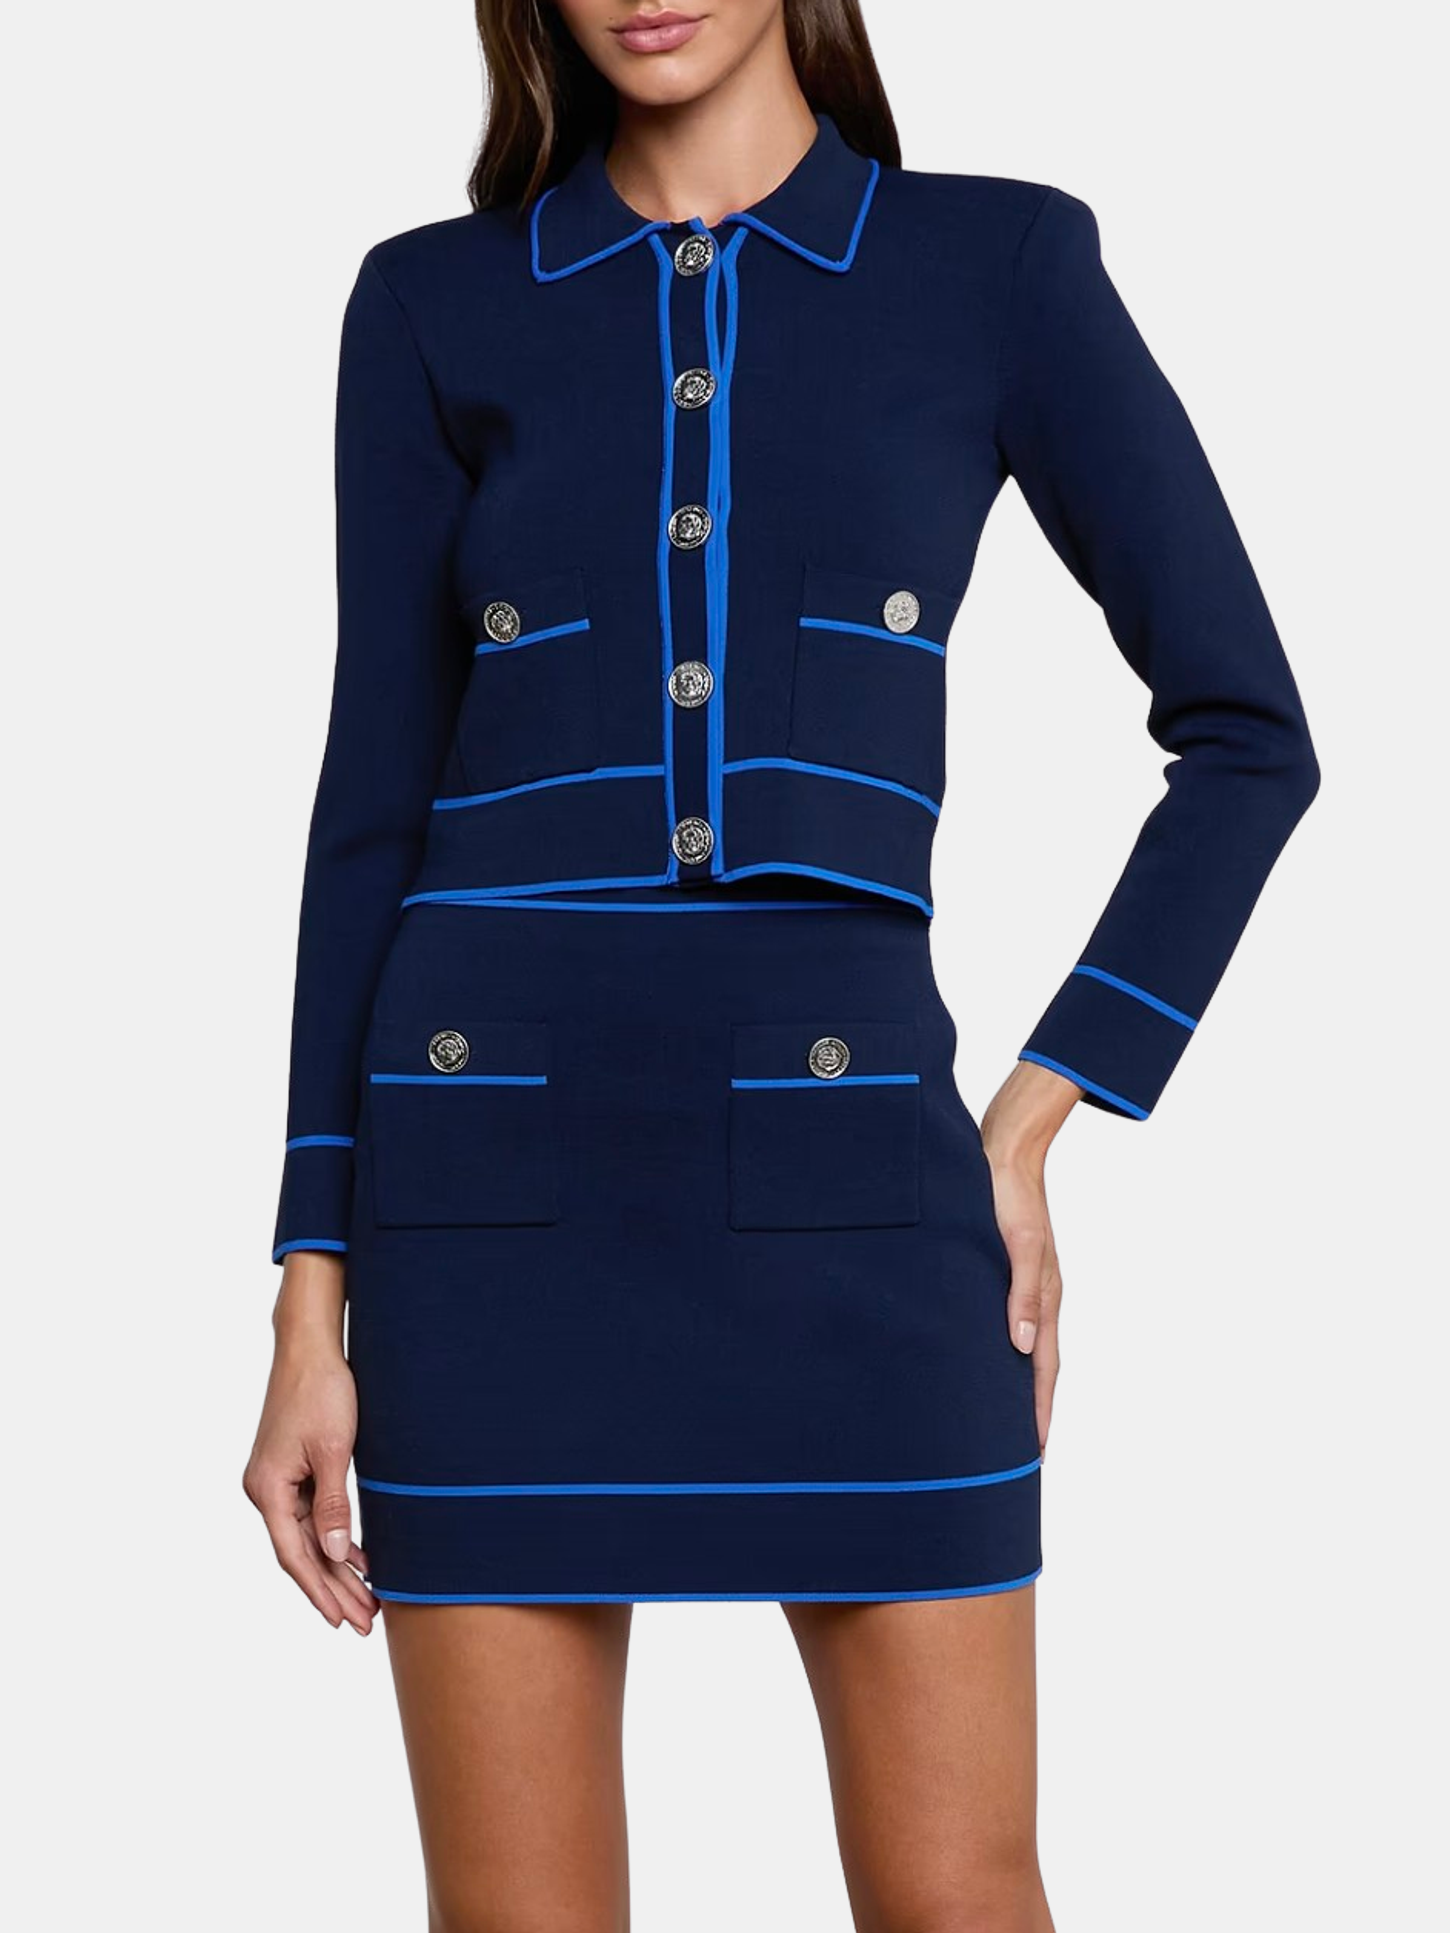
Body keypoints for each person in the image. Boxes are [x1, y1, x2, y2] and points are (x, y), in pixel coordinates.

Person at [244, 3, 1319, 1926]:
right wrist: (306, 1300)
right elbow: (369, 820)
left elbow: (1249, 735)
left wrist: (1033, 1117)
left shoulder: (995, 263)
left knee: (959, 1895)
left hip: (857, 1186)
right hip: (483, 1205)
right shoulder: (430, 302)